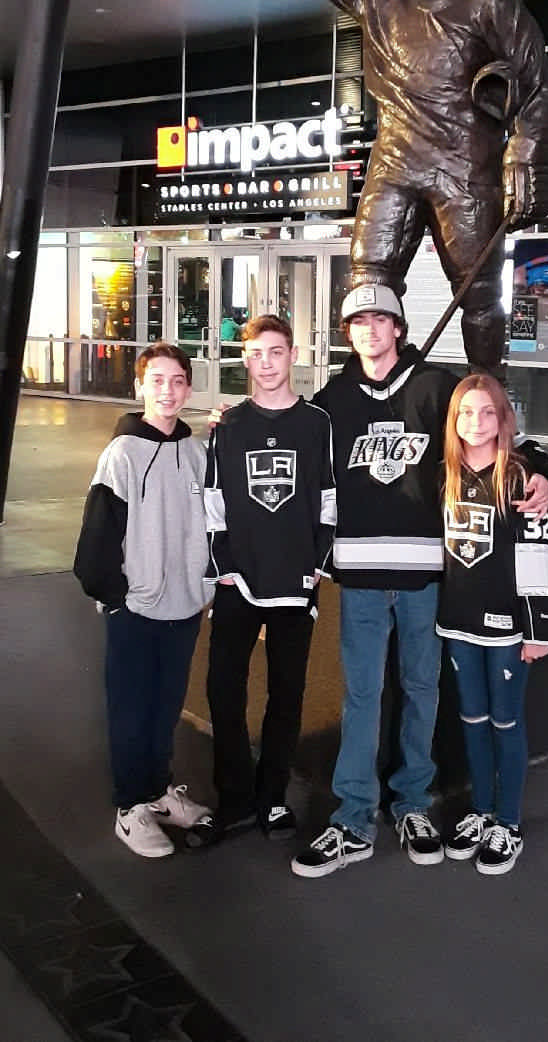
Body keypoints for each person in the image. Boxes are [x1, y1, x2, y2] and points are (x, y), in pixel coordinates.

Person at [290, 285, 548, 877]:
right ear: (348, 331)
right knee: (362, 697)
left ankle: (412, 802)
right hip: (359, 577)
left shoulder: (437, 387)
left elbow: (488, 430)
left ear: (398, 327)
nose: (369, 330)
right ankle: (354, 817)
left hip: (428, 579)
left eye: (380, 319)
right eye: (358, 321)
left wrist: (542, 469)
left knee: (422, 691)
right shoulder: (332, 399)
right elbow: (289, 447)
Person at [302, 0, 548, 376]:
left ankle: (486, 401)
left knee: (477, 295)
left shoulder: (490, 0)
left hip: (463, 166)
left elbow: (541, 86)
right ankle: (370, 395)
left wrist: (524, 153)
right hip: (394, 160)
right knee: (367, 283)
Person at [188, 314, 336, 848]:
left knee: (287, 692)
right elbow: (213, 502)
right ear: (244, 359)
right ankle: (234, 797)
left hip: (295, 581)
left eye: (276, 351)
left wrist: (317, 563)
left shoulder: (317, 423)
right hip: (238, 581)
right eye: (256, 353)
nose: (266, 362)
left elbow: (327, 497)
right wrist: (222, 565)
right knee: (222, 689)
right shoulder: (227, 426)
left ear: (292, 355)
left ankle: (271, 796)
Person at [74, 343, 211, 858]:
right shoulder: (123, 454)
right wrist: (116, 598)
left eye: (177, 380)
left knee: (164, 708)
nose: (168, 390)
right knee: (130, 709)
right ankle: (130, 806)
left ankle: (157, 790)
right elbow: (98, 537)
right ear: (140, 387)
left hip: (184, 608)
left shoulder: (197, 454)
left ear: (189, 387)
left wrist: (201, 587)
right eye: (157, 380)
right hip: (136, 609)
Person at [439, 374, 548, 874]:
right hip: (458, 623)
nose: (476, 422)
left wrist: (539, 630)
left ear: (503, 418)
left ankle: (508, 821)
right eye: (467, 412)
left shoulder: (520, 478)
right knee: (472, 719)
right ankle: (481, 810)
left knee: (506, 721)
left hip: (509, 627)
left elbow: (538, 557)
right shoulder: (442, 473)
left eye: (487, 412)